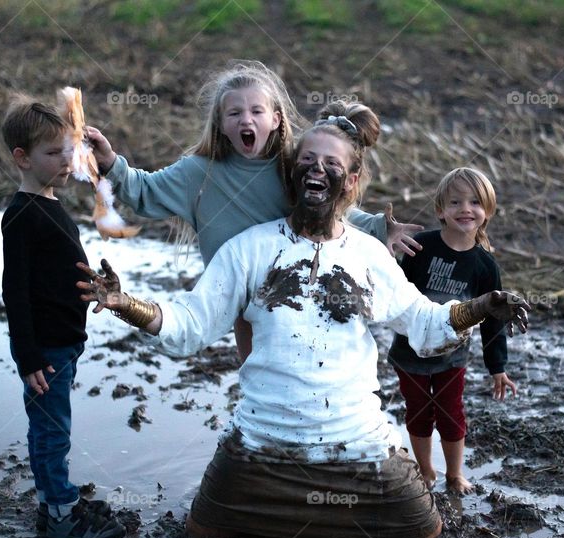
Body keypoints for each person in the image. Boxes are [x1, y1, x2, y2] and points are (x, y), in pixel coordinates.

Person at [78, 101, 530, 538]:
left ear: (351, 182)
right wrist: (125, 304)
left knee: (423, 528)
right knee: (203, 532)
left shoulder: (369, 255)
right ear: (292, 175)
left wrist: (483, 306)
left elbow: (426, 325)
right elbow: (191, 323)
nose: (317, 168)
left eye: (331, 163)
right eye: (307, 160)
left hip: (359, 451)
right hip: (260, 452)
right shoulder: (248, 249)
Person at [83, 60, 422, 361]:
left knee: (306, 366)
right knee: (258, 374)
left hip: (296, 286)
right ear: (221, 122)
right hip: (242, 297)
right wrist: (110, 161)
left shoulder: (291, 166)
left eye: (257, 112)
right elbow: (142, 192)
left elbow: (330, 213)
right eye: (235, 113)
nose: (247, 119)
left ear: (275, 119)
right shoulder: (198, 174)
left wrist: (380, 228)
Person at [0, 95, 125, 538]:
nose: (64, 160)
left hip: (65, 342)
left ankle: (55, 502)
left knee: (53, 427)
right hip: (46, 350)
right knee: (51, 431)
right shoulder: (21, 215)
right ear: (22, 158)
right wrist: (27, 355)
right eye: (52, 154)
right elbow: (16, 291)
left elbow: (57, 270)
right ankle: (60, 515)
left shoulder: (50, 204)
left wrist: (95, 283)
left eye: (66, 151)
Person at [388, 167, 515, 494]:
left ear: (487, 212)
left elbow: (493, 318)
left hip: (453, 356)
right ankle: (426, 471)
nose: (465, 209)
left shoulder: (485, 265)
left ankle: (454, 474)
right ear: (440, 210)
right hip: (410, 351)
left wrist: (497, 367)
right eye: (455, 201)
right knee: (418, 411)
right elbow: (398, 294)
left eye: (475, 202)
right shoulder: (420, 246)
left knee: (450, 413)